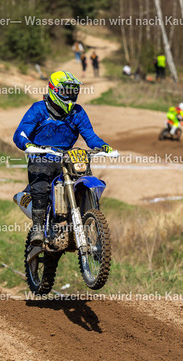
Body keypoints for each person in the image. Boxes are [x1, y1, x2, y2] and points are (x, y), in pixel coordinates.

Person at [13, 71, 114, 246]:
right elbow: (20, 133)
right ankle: (38, 228)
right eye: (66, 91)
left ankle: (87, 218)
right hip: (41, 156)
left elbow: (90, 136)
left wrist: (103, 146)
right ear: (54, 90)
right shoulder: (38, 109)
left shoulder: (77, 112)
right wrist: (28, 145)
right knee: (41, 182)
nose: (70, 95)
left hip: (66, 158)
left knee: (84, 175)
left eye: (73, 91)